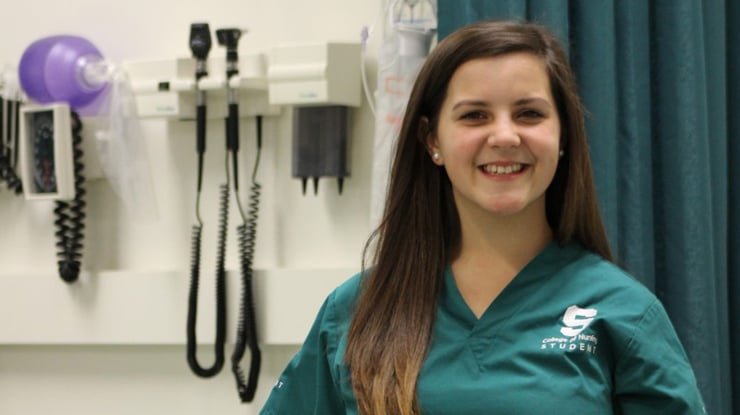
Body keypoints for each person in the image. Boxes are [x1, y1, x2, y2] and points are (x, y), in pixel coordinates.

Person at [260, 19, 707, 415]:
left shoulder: (622, 313)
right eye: (475, 115)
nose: (505, 136)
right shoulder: (358, 310)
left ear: (563, 135)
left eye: (529, 113)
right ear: (431, 139)